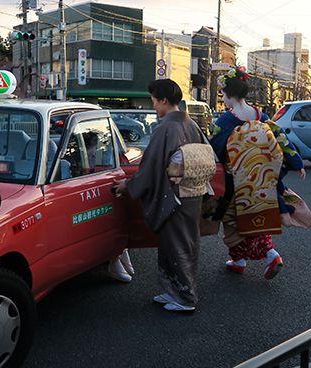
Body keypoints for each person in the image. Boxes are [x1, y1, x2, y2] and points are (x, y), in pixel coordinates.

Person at [112, 79, 207, 313]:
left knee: (177, 245)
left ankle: (186, 298)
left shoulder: (165, 128)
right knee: (176, 243)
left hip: (174, 195)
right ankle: (172, 291)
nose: (153, 105)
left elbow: (151, 166)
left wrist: (128, 185)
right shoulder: (190, 123)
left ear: (163, 100)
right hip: (192, 193)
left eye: (154, 100)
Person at [208, 66, 297, 280]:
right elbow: (281, 138)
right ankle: (247, 259)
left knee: (233, 221)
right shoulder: (261, 116)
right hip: (260, 178)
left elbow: (214, 148)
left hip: (235, 181)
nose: (223, 99)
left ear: (229, 95)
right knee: (257, 216)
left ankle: (266, 255)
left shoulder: (225, 121)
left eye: (222, 95)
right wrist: (296, 161)